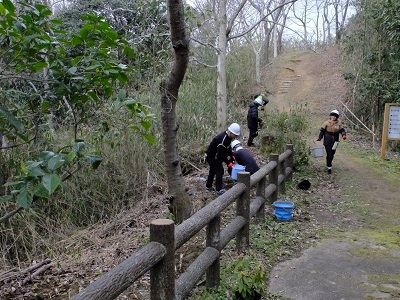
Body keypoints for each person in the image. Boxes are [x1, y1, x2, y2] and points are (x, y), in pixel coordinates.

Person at [205, 123, 241, 195]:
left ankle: (208, 186)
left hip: (216, 155)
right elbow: (222, 154)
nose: (235, 137)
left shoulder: (229, 138)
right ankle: (219, 189)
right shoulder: (222, 140)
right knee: (220, 170)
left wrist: (232, 155)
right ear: (230, 132)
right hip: (211, 156)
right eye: (235, 135)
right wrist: (228, 163)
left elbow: (227, 148)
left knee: (212, 170)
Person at [317, 109, 347, 174]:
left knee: (332, 153)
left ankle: (329, 164)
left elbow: (342, 130)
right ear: (330, 116)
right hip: (327, 140)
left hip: (335, 141)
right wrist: (320, 137)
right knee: (329, 153)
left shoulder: (339, 123)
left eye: (335, 116)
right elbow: (322, 131)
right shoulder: (326, 123)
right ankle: (329, 166)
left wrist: (343, 135)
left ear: (337, 117)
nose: (333, 117)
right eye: (332, 116)